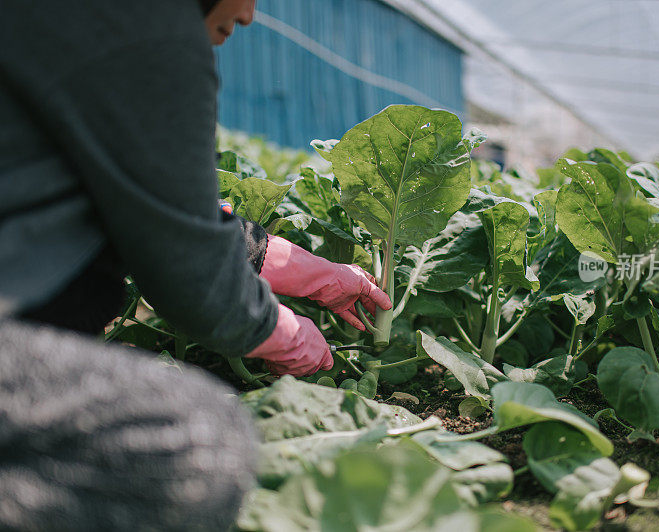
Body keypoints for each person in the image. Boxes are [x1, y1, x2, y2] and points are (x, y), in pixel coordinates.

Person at [0, 0, 390, 529]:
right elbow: (188, 277)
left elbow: (150, 203)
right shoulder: (148, 28)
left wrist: (272, 258)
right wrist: (279, 331)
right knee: (196, 440)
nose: (250, 14)